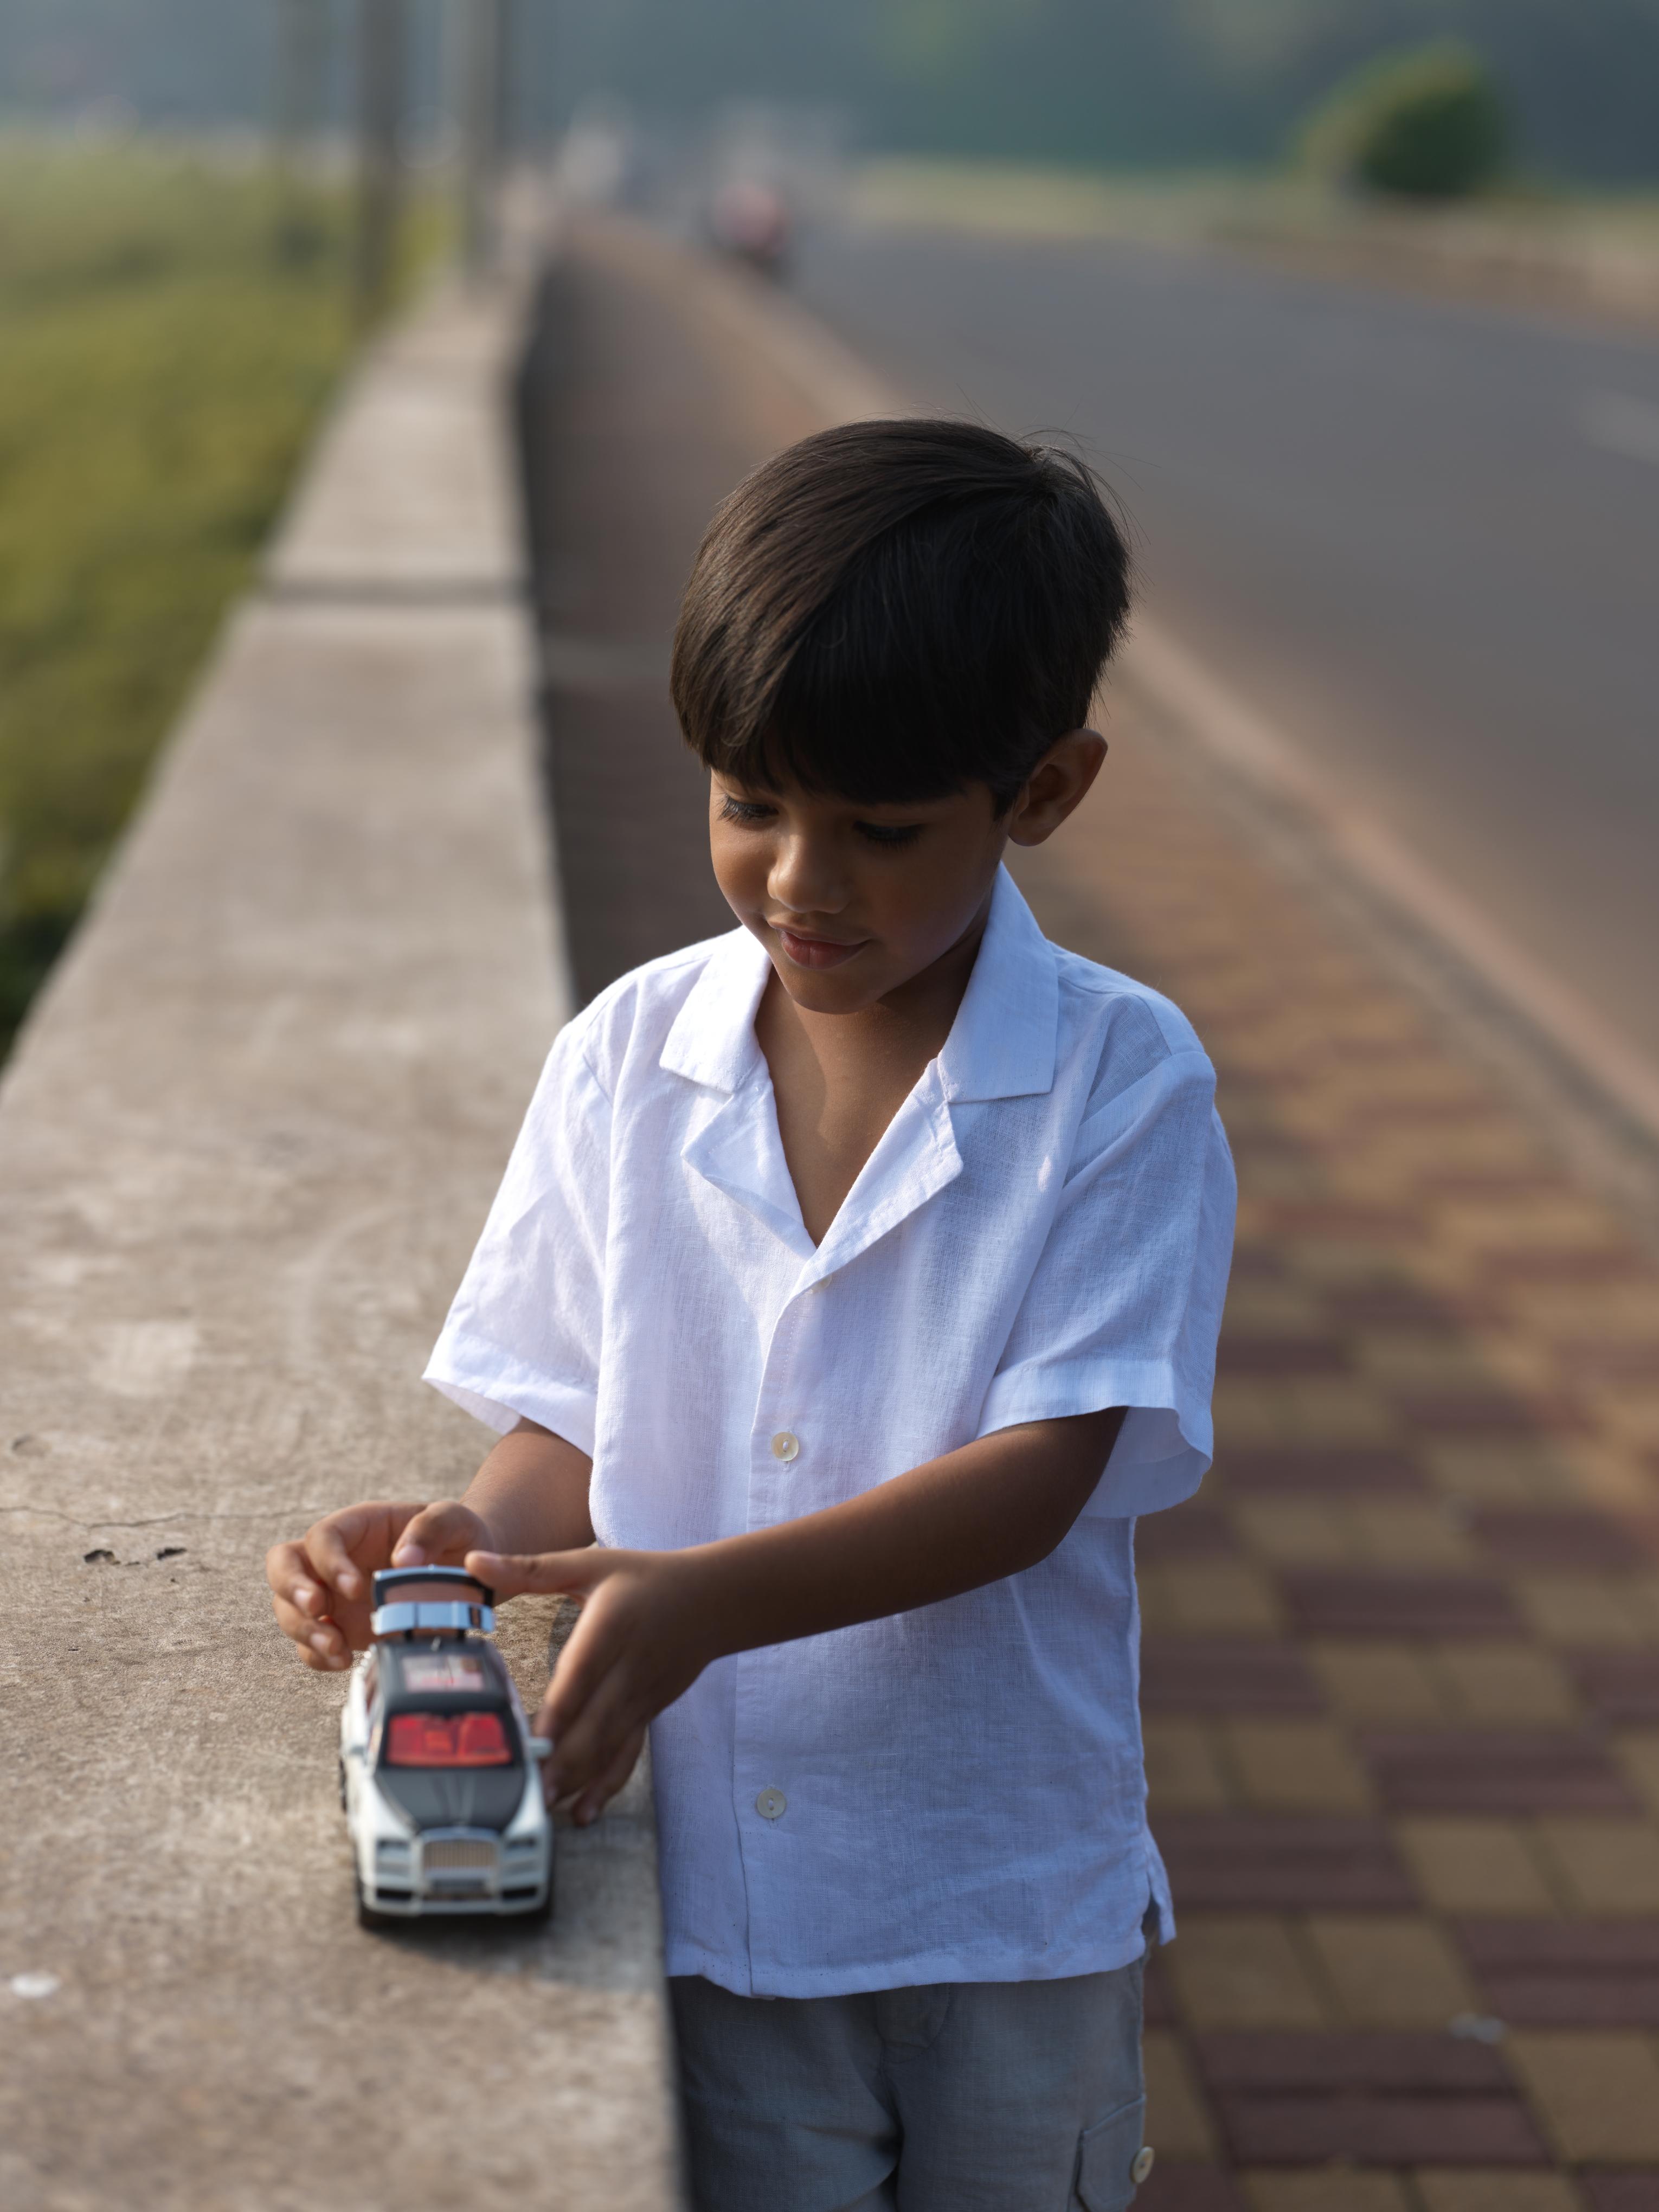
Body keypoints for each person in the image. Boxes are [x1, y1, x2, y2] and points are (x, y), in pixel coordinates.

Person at [266, 418, 1234, 2212]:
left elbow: (1042, 1469)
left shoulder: (1120, 1079)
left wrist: (706, 1597)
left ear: (1044, 789)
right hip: (721, 1898)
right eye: (747, 803)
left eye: (878, 827)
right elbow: (568, 1413)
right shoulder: (629, 1053)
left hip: (995, 1903)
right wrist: (465, 1544)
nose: (800, 879)